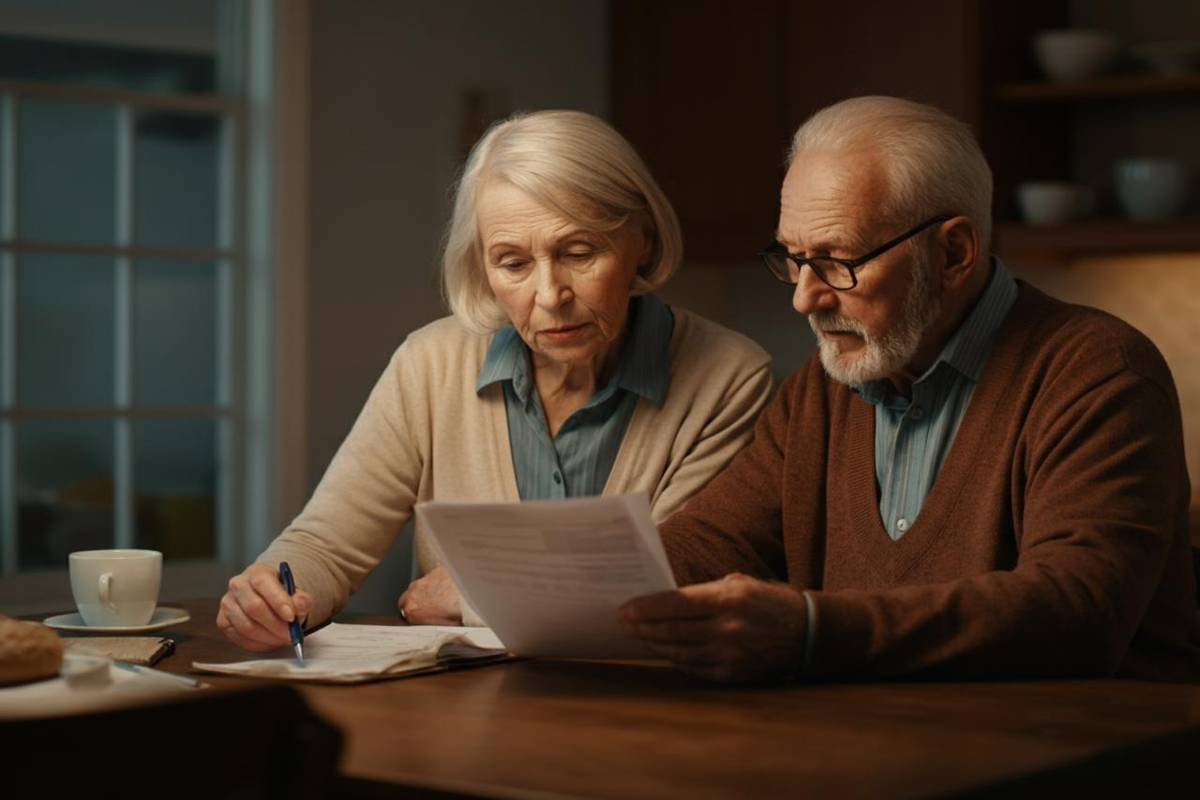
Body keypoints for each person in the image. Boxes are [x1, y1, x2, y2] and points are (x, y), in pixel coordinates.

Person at [619, 95, 1200, 683]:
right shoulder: (817, 395)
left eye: (837, 261)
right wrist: (573, 586)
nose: (804, 298)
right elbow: (713, 541)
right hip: (889, 755)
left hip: (1090, 762)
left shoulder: (1099, 371)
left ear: (953, 252)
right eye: (793, 259)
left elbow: (1078, 610)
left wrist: (814, 629)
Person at [216, 110, 773, 650]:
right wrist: (271, 592)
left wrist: (470, 595)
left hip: (645, 707)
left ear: (643, 242)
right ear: (482, 267)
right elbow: (328, 542)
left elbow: (671, 583)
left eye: (579, 252)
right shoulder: (429, 363)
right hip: (462, 713)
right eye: (513, 263)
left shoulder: (729, 377)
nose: (550, 295)